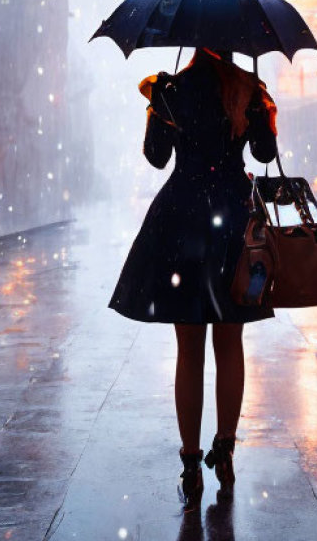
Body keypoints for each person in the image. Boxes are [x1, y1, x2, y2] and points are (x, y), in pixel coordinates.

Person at [108, 47, 278, 512]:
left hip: (182, 218)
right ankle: (225, 449)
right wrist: (261, 112)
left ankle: (189, 461)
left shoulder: (170, 90)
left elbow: (156, 158)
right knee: (230, 342)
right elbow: (265, 153)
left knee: (189, 349)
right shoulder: (248, 90)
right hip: (233, 218)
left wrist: (160, 112)